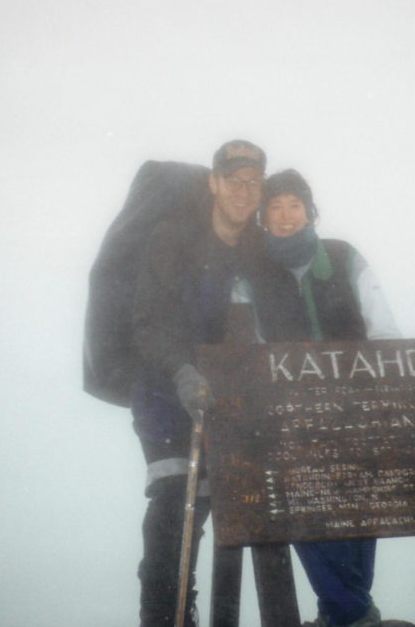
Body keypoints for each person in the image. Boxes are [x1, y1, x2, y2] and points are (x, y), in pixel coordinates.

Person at [248, 169, 399, 627]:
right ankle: (353, 613)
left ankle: (340, 611)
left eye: (294, 205)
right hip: (290, 415)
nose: (285, 215)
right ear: (263, 216)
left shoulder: (342, 256)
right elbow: (246, 342)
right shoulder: (251, 272)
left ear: (310, 211)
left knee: (358, 509)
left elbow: (382, 325)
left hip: (357, 407)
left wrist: (389, 387)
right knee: (303, 507)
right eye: (274, 207)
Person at [130, 139, 266, 626]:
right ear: (214, 182)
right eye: (234, 180)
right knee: (174, 505)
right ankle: (166, 617)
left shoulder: (256, 249)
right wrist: (183, 371)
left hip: (228, 398)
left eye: (253, 182)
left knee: (227, 505)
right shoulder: (174, 238)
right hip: (165, 394)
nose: (244, 191)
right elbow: (148, 321)